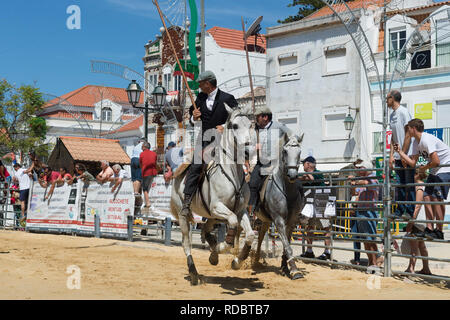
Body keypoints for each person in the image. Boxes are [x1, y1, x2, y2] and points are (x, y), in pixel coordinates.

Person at [180, 70, 238, 224]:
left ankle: (247, 200)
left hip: (224, 141)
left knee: (243, 164)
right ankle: (186, 202)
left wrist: (225, 127)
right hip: (204, 140)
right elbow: (192, 119)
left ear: (208, 83)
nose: (198, 85)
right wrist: (194, 117)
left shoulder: (228, 98)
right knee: (195, 165)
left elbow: (238, 119)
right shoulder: (199, 98)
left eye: (200, 83)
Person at [395, 118, 450, 240]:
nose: (407, 132)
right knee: (427, 196)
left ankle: (439, 231)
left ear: (413, 129)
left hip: (446, 167)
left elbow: (436, 161)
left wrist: (423, 168)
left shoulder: (426, 139)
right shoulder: (416, 142)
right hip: (436, 169)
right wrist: (400, 152)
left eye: (408, 129)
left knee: (436, 198)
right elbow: (413, 163)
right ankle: (429, 228)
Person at [348, 160, 383, 267]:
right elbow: (354, 193)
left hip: (370, 211)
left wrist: (355, 180)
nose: (358, 170)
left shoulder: (372, 177)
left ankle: (375, 262)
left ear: (366, 168)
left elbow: (368, 184)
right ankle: (372, 262)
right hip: (361, 210)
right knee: (365, 240)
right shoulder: (361, 179)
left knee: (370, 239)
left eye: (360, 168)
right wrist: (353, 184)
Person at [387, 90, 415, 219]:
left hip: (407, 154)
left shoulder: (404, 112)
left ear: (393, 98)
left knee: (409, 184)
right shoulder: (392, 115)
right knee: (400, 185)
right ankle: (400, 210)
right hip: (399, 155)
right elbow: (393, 136)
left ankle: (410, 211)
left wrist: (403, 154)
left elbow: (408, 134)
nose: (386, 100)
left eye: (387, 98)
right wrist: (391, 155)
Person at [298, 156, 332, 261]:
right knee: (309, 226)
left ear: (308, 164)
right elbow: (301, 180)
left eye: (304, 164)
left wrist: (307, 174)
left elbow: (312, 179)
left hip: (322, 203)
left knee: (325, 227)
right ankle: (309, 251)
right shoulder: (307, 175)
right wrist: (303, 177)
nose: (302, 166)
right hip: (311, 204)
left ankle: (327, 252)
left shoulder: (318, 173)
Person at [403, 170, 432, 275]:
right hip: (422, 219)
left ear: (417, 174)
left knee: (414, 245)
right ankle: (426, 268)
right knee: (421, 246)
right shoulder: (424, 186)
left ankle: (411, 268)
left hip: (417, 219)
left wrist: (411, 221)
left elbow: (417, 205)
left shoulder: (418, 186)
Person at [139, 141, 157, 208]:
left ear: (144, 147)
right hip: (153, 172)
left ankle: (148, 203)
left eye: (142, 146)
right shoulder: (154, 153)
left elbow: (140, 164)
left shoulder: (142, 154)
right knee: (151, 187)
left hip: (146, 172)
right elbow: (155, 162)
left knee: (145, 189)